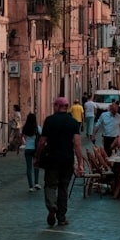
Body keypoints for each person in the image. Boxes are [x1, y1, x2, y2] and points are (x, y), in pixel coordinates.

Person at [37, 97, 84, 227]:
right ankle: (61, 217)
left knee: (50, 185)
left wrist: (37, 156)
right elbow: (77, 144)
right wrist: (80, 163)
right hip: (67, 159)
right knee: (64, 188)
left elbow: (42, 141)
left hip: (52, 159)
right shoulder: (73, 122)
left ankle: (52, 205)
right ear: (67, 107)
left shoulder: (49, 120)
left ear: (57, 106)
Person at [21, 113, 42, 192]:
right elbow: (42, 137)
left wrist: (24, 142)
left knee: (29, 167)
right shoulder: (37, 128)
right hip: (35, 149)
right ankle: (36, 183)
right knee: (36, 165)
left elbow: (21, 136)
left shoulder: (25, 128)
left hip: (28, 149)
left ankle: (30, 186)